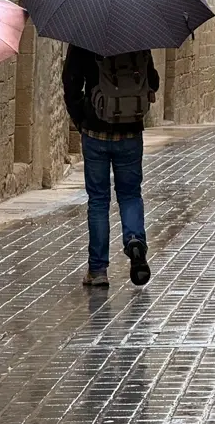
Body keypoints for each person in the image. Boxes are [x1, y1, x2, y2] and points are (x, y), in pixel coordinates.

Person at [62, 46, 160, 288]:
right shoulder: (136, 39)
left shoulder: (83, 40)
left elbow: (70, 83)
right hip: (130, 133)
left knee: (98, 201)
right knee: (130, 195)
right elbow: (154, 82)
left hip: (95, 133)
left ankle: (97, 270)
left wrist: (81, 119)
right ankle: (135, 241)